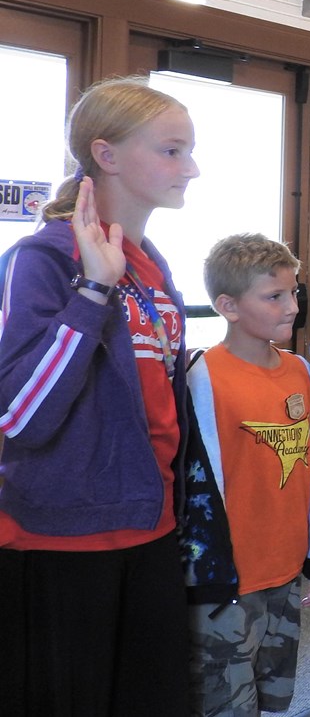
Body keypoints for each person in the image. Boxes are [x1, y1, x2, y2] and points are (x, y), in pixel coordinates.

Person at [0, 76, 198, 715]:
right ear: (106, 155)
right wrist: (92, 293)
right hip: (63, 540)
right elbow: (20, 415)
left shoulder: (154, 266)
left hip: (148, 524)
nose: (191, 168)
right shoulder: (45, 257)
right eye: (171, 150)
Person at [180, 233, 310, 716]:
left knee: (270, 698)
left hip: (284, 572)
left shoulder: (305, 375)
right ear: (228, 305)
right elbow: (192, 489)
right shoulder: (201, 379)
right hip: (226, 582)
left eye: (294, 293)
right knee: (225, 704)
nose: (292, 306)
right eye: (274, 296)